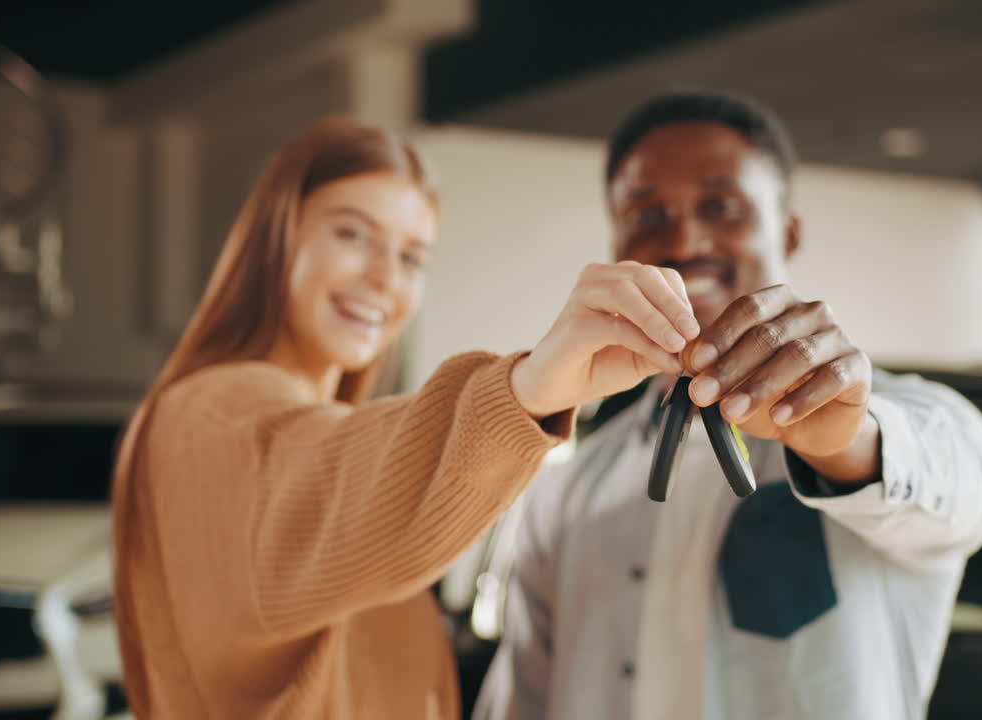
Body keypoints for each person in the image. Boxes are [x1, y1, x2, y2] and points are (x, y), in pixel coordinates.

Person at [110, 115, 705, 719]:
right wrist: (525, 390)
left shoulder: (290, 419)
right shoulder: (216, 418)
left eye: (412, 257)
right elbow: (321, 474)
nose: (384, 279)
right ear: (276, 237)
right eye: (353, 235)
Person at [475, 91, 982, 720]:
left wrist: (844, 442)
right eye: (647, 215)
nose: (684, 238)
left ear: (787, 231)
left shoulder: (905, 417)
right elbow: (522, 698)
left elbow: (963, 490)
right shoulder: (568, 488)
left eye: (720, 206)